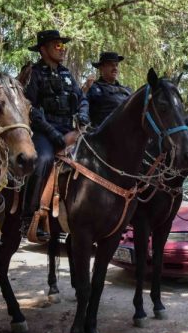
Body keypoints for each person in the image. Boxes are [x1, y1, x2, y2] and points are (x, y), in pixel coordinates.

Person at [22, 29, 89, 241]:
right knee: (42, 159)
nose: (62, 49)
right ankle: (30, 216)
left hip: (69, 130)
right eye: (56, 45)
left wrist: (83, 119)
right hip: (44, 132)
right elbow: (29, 109)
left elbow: (82, 100)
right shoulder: (33, 74)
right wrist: (56, 137)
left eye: (62, 45)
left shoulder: (67, 74)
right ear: (43, 49)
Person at [85, 51, 133, 128]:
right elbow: (81, 105)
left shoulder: (127, 90)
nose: (115, 68)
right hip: (103, 135)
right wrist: (86, 89)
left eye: (116, 65)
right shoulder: (94, 87)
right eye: (111, 65)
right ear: (101, 69)